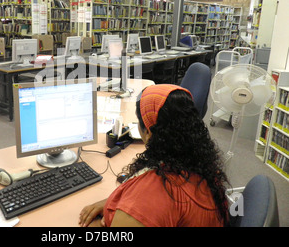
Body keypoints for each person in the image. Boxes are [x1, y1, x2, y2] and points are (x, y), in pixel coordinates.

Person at [79, 84, 230, 227]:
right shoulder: (201, 166)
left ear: (148, 132)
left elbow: (146, 206)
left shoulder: (148, 198)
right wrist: (111, 202)